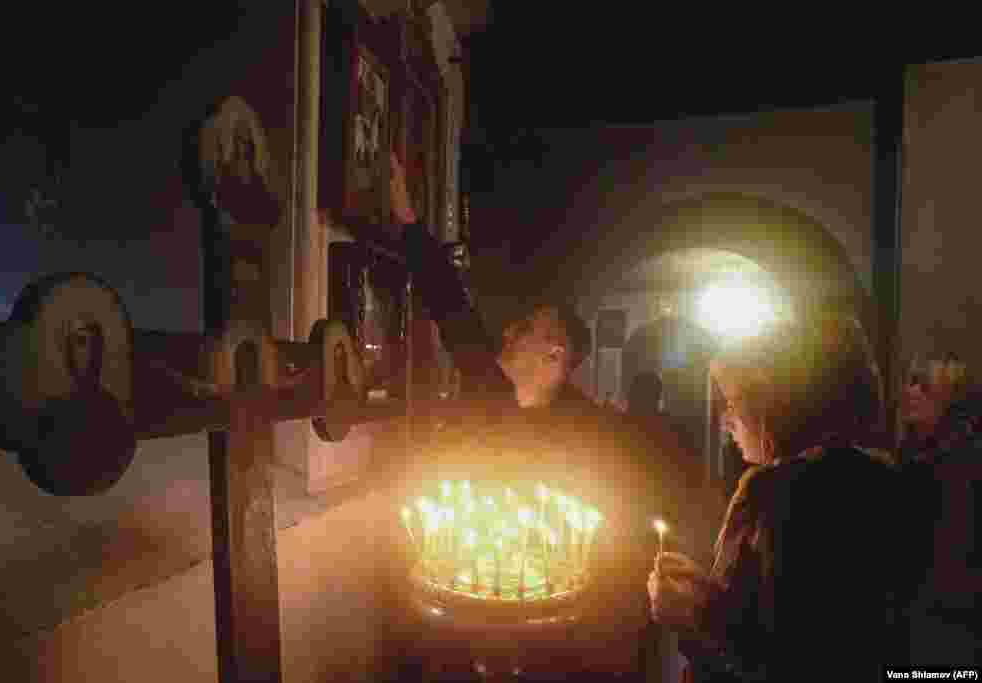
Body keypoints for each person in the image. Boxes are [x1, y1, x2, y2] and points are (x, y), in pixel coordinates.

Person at [390, 152, 713, 678]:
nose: (510, 332)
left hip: (561, 636)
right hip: (472, 598)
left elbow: (645, 508)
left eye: (528, 330)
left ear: (555, 357)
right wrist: (408, 226)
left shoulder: (590, 430)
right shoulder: (486, 387)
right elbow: (450, 307)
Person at [647, 314, 910, 682]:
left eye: (735, 401)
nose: (727, 420)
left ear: (777, 402)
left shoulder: (774, 493)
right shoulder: (888, 480)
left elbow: (779, 654)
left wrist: (692, 613)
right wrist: (710, 592)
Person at [897, 353, 982, 665]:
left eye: (923, 384)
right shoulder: (916, 459)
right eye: (910, 382)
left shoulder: (952, 464)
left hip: (946, 626)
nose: (911, 392)